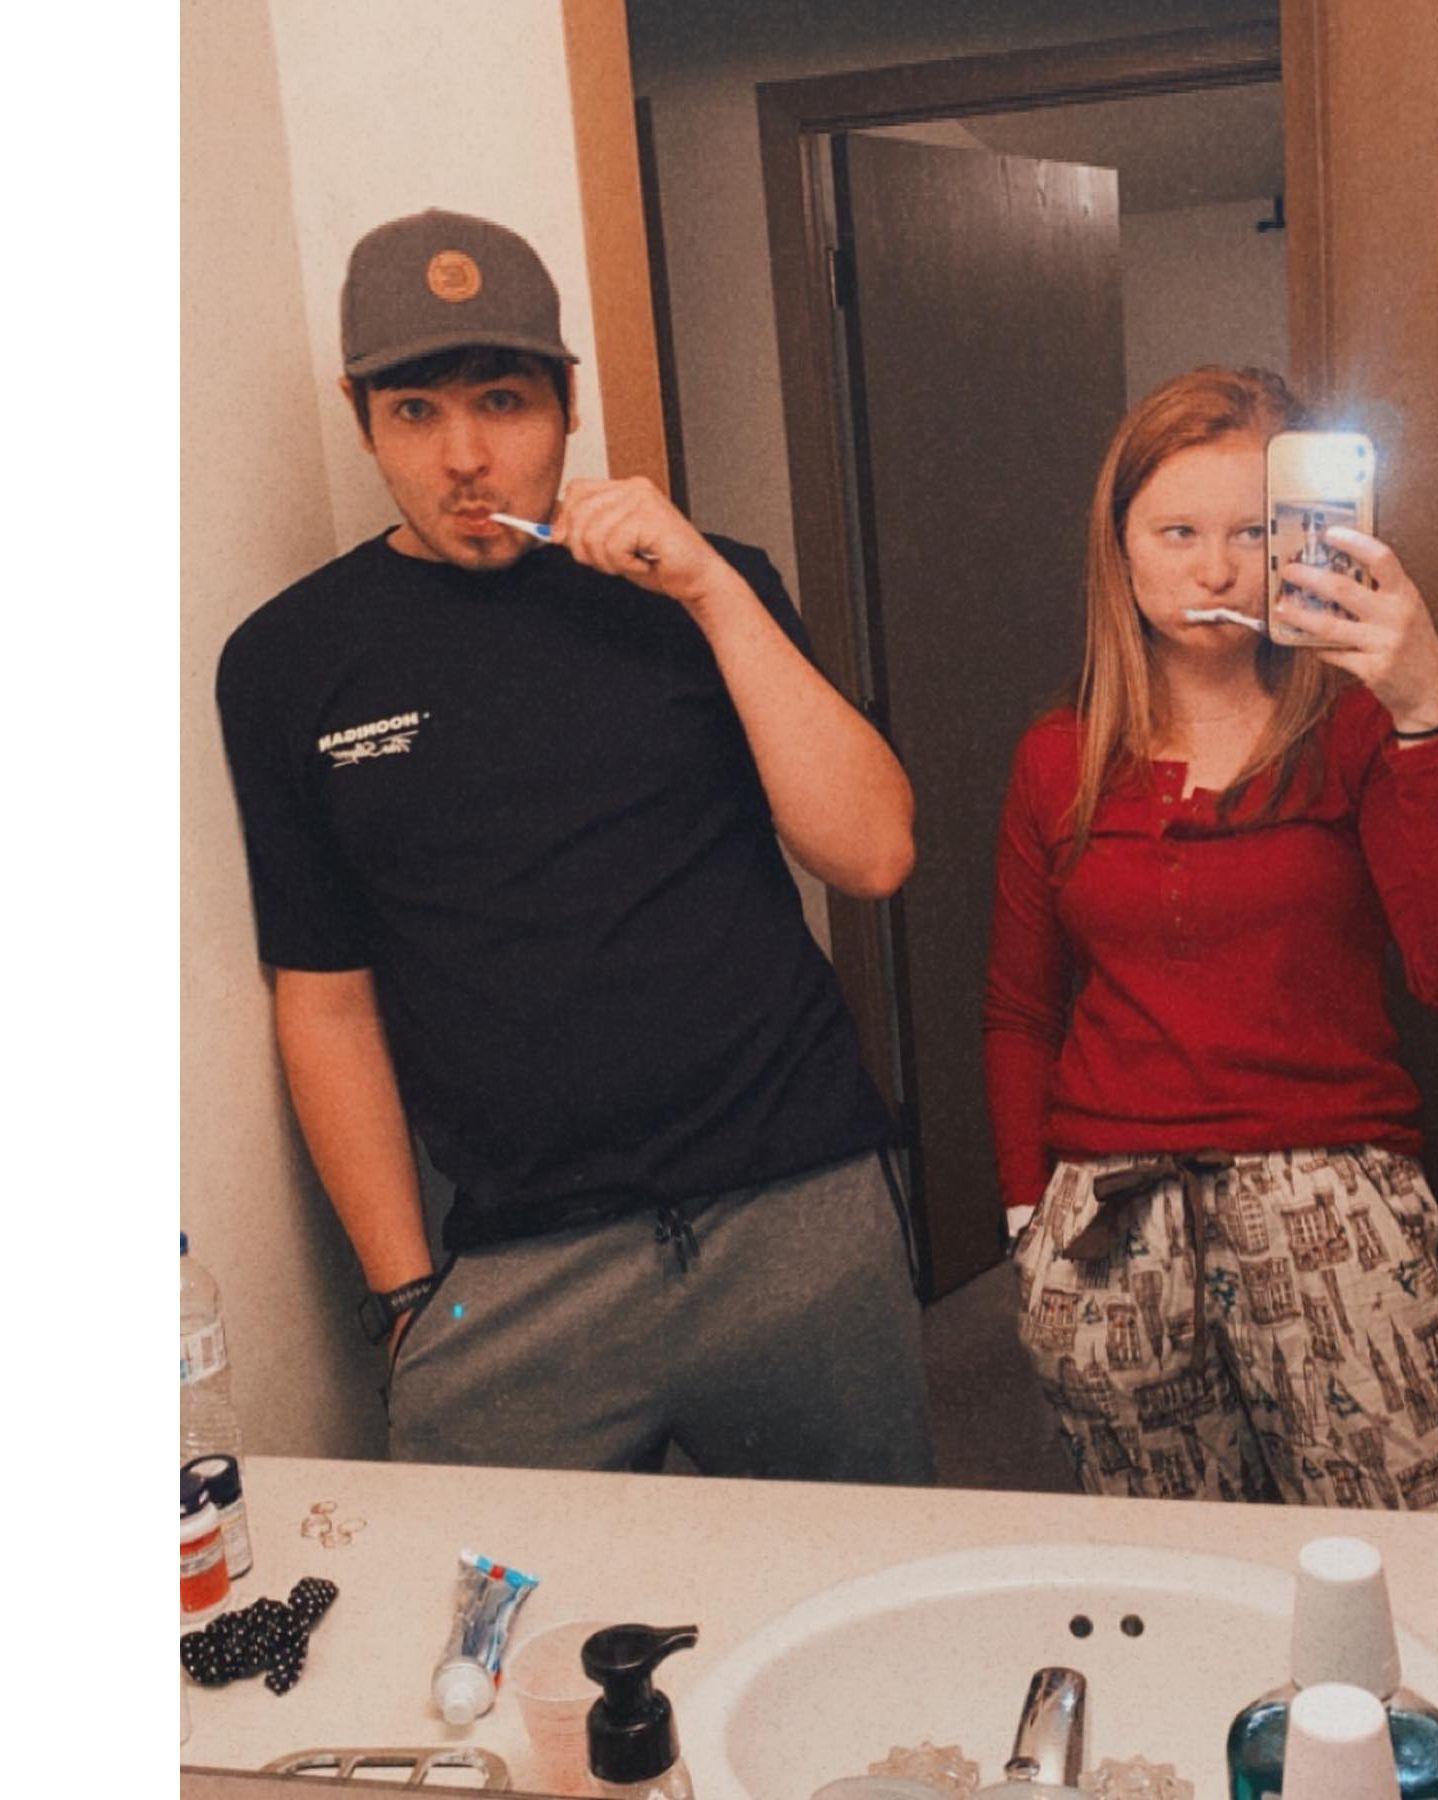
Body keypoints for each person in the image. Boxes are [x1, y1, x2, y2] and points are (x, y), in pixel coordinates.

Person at [216, 208, 934, 1484]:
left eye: (503, 402)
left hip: (795, 1210)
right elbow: (325, 1004)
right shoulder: (288, 661)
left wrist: (711, 590)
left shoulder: (706, 587)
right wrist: (403, 1296)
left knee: (856, 1577)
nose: (466, 458)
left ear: (567, 403)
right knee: (489, 1607)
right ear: (361, 417)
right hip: (515, 1265)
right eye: (416, 412)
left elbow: (874, 852)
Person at [983, 367, 1438, 1509]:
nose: (1217, 569)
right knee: (1174, 1575)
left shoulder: (1360, 727)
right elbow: (1020, 1010)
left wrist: (1430, 703)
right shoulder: (1058, 756)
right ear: (1120, 547)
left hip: (1332, 1214)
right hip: (1107, 1231)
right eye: (1177, 531)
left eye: (1252, 532)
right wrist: (1029, 1216)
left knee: (1418, 1550)